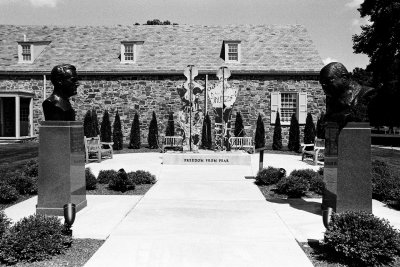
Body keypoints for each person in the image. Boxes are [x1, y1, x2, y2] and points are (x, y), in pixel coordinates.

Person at [319, 62, 375, 129]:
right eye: (323, 84)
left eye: (329, 81)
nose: (325, 86)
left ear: (344, 78)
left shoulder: (366, 94)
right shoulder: (333, 100)